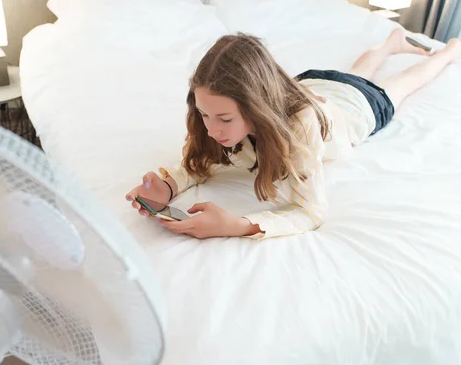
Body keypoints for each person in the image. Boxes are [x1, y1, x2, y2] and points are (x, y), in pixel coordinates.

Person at [125, 30, 461, 240]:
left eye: (225, 119)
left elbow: (311, 211)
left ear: (256, 106)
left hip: (355, 107)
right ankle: (392, 42)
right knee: (354, 72)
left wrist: (236, 224)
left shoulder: (300, 126)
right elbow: (199, 161)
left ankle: (448, 52)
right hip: (310, 83)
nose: (212, 129)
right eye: (204, 115)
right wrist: (168, 185)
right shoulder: (219, 109)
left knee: (402, 85)